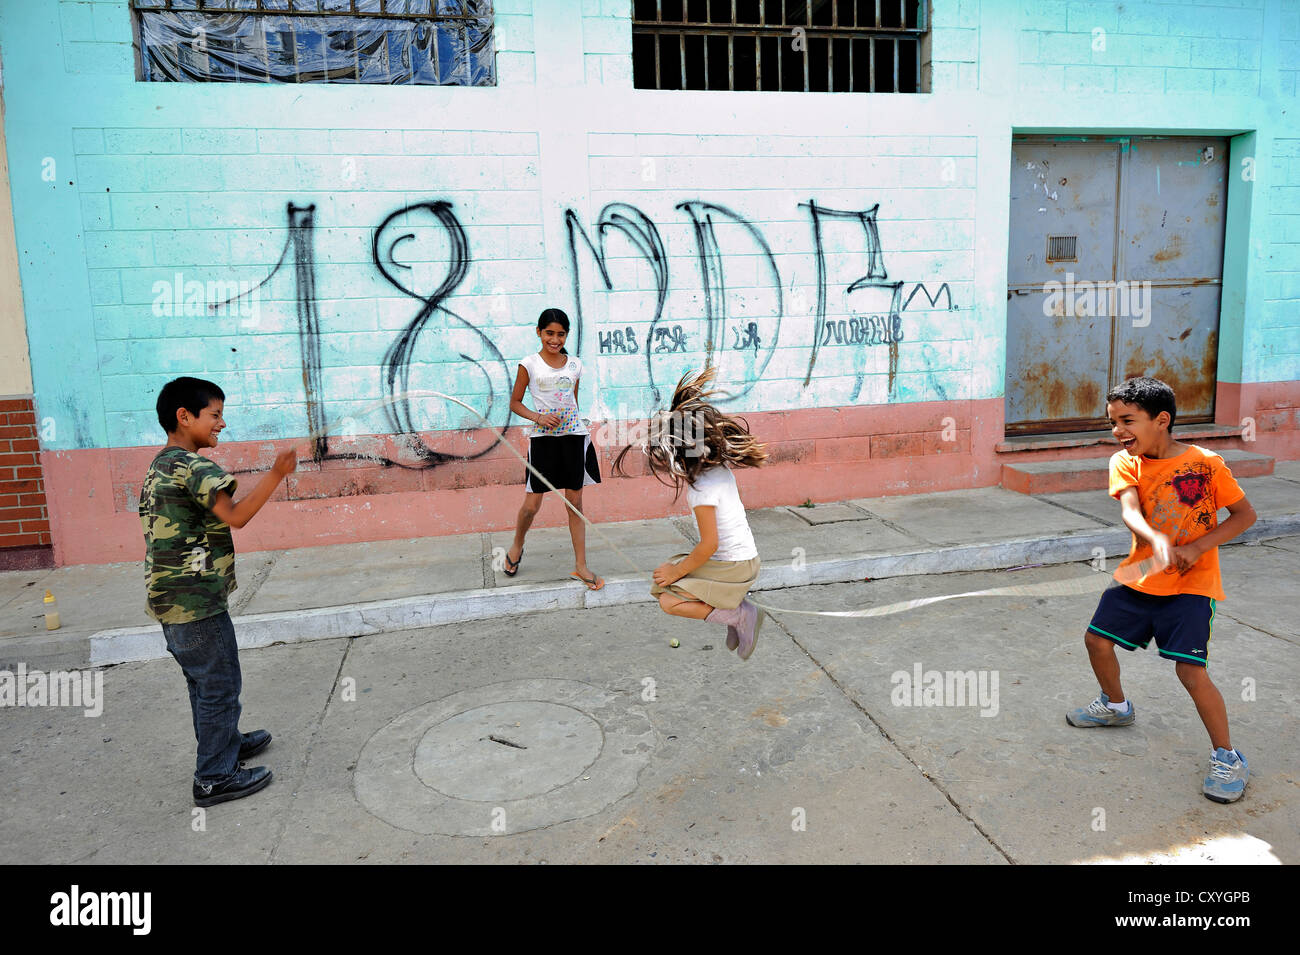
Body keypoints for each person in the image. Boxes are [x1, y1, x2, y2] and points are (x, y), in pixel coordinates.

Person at [1067, 376, 1256, 803]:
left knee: (1190, 671)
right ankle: (1116, 706)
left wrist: (1200, 546)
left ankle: (1227, 756)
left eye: (1127, 421)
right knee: (1096, 641)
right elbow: (1130, 509)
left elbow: (1244, 515)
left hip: (1191, 587)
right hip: (1140, 576)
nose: (1117, 431)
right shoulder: (1125, 462)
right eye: (1113, 422)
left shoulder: (1206, 464)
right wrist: (1155, 538)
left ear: (1162, 420)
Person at [141, 376, 297, 807]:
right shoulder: (194, 468)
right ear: (184, 416)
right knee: (220, 686)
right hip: (196, 603)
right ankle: (214, 776)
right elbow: (237, 515)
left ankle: (225, 742)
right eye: (215, 415)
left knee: (203, 683)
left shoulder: (161, 464)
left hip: (171, 602)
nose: (222, 424)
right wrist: (278, 474)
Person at [616, 367, 767, 659]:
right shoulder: (717, 469)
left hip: (736, 567)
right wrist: (676, 570)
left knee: (668, 601)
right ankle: (732, 613)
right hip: (743, 560)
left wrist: (677, 572)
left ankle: (737, 615)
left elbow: (708, 545)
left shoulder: (701, 491)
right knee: (663, 579)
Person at [502, 308, 604, 590]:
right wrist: (538, 417)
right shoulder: (529, 364)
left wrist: (574, 424)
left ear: (566, 335)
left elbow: (572, 400)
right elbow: (515, 402)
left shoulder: (575, 365)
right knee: (532, 505)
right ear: (539, 332)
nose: (555, 339)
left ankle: (580, 566)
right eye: (549, 333)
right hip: (543, 440)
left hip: (573, 439)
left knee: (575, 505)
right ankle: (517, 545)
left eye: (560, 334)